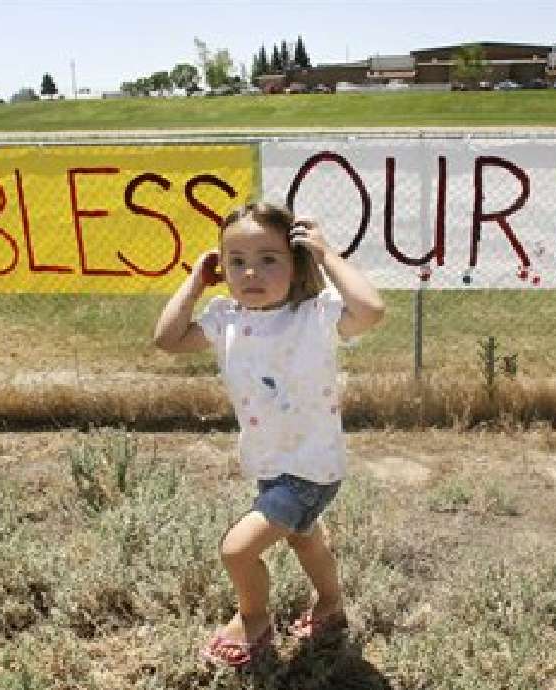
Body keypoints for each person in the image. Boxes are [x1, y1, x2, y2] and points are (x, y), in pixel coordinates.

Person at [152, 202, 385, 668]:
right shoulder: (227, 319)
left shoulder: (314, 316)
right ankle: (331, 605)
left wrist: (327, 255)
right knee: (306, 540)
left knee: (237, 551)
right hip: (270, 463)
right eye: (235, 260)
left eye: (268, 258)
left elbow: (372, 309)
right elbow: (168, 339)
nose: (250, 271)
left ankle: (253, 619)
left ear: (296, 262)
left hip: (310, 467)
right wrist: (195, 283)